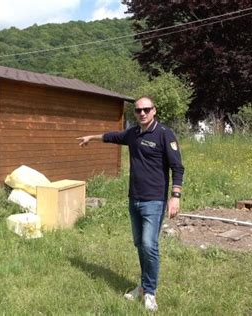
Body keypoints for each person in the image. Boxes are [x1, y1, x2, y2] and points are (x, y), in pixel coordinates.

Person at [77, 97, 184, 312]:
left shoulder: (164, 134)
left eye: (146, 109)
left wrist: (175, 196)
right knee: (139, 244)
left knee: (148, 245)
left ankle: (150, 293)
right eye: (138, 110)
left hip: (154, 200)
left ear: (154, 111)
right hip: (134, 199)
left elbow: (177, 167)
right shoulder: (133, 134)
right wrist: (92, 137)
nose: (142, 113)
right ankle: (143, 287)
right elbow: (112, 136)